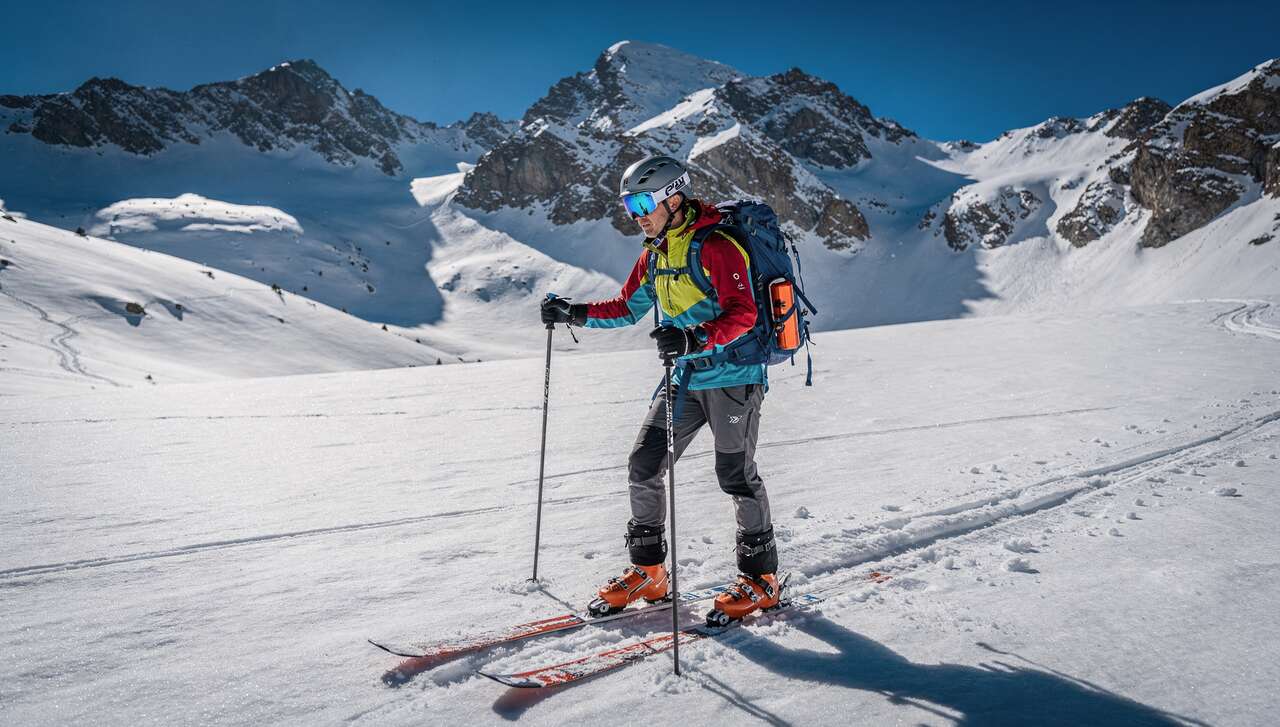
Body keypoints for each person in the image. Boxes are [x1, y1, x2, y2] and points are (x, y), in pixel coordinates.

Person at [541, 154, 779, 623]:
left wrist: (695, 337)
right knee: (644, 464)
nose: (636, 214)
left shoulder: (717, 246)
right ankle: (650, 573)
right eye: (630, 204)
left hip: (733, 378)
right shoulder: (656, 253)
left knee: (736, 476)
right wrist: (573, 312)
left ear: (673, 195)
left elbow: (744, 313)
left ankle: (761, 580)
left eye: (643, 202)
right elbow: (626, 308)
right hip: (683, 379)